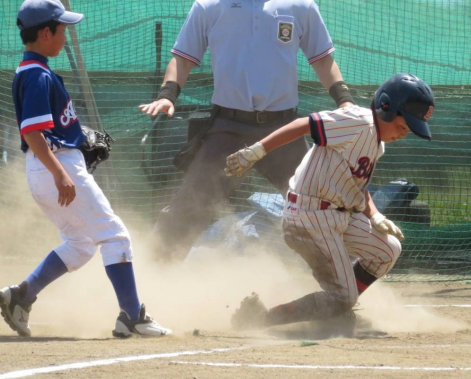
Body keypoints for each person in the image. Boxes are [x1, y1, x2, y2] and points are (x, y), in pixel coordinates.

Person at [0, 0, 171, 338]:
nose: (66, 34)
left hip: (50, 166)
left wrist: (76, 142)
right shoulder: (35, 74)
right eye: (62, 28)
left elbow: (45, 131)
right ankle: (133, 317)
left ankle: (21, 297)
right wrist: (61, 174)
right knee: (116, 236)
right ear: (46, 32)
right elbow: (32, 133)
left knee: (80, 243)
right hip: (55, 167)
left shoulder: (39, 70)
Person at [139, 0, 355, 261]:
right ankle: (150, 280)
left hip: (283, 130)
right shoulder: (207, 6)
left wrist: (345, 102)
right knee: (188, 208)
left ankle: (343, 282)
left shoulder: (301, 6)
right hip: (228, 129)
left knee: (317, 207)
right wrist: (168, 95)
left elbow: (322, 60)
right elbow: (183, 59)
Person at [224, 73, 435, 331]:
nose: (405, 134)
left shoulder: (376, 143)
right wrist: (256, 151)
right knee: (342, 297)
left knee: (388, 250)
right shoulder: (358, 122)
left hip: (339, 217)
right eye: (404, 126)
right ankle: (260, 318)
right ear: (387, 107)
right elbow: (303, 124)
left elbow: (357, 185)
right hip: (309, 216)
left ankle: (338, 306)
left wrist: (376, 215)